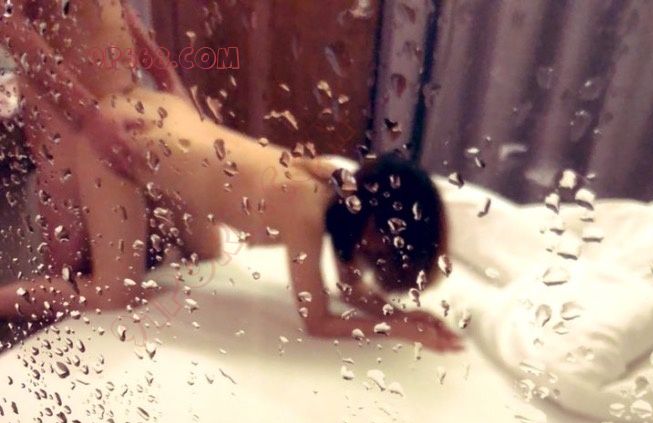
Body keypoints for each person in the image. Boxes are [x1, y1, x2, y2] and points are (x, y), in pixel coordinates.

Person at [5, 12, 462, 351]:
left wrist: (405, 318)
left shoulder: (340, 187)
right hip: (120, 143)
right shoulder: (305, 208)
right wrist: (397, 330)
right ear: (377, 231)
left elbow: (349, 290)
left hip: (159, 117)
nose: (378, 256)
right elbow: (318, 323)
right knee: (113, 293)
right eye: (387, 247)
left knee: (208, 253)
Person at [0, 1, 218, 316]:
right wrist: (89, 115)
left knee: (201, 247)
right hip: (69, 132)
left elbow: (120, 12)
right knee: (84, 273)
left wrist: (168, 79)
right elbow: (10, 24)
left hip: (121, 115)